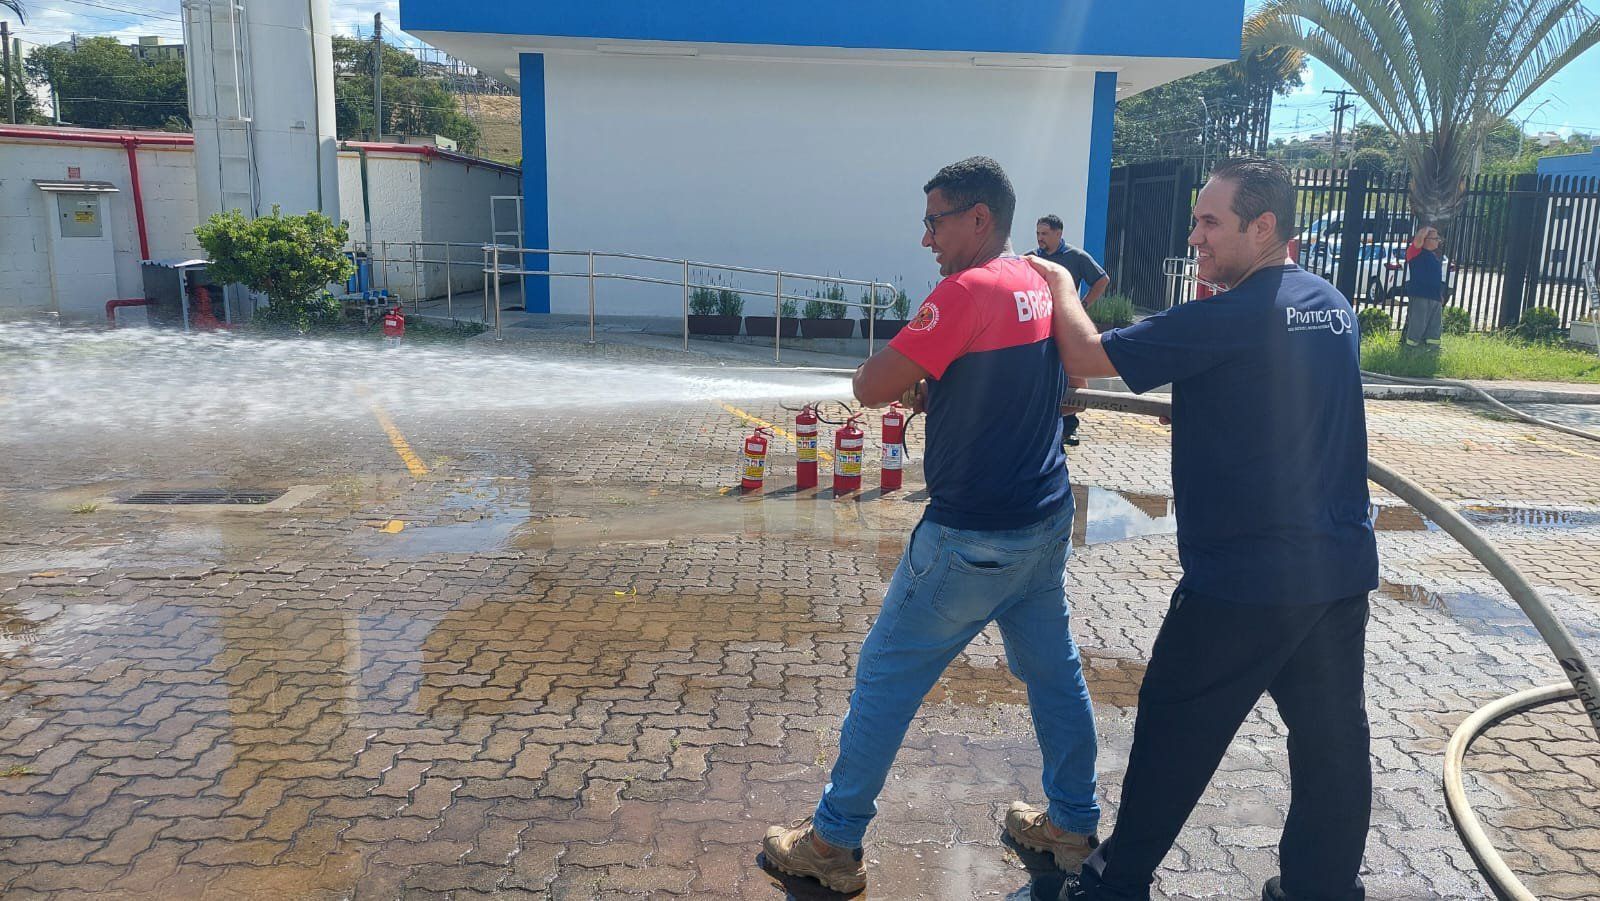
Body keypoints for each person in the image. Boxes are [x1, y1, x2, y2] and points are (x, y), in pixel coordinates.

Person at [1027, 157, 1379, 901]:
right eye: (1195, 221)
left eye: (1210, 222)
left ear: (1264, 226)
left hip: (1243, 582)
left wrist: (1058, 281)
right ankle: (1320, 888)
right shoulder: (1330, 303)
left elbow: (1086, 354)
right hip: (1336, 571)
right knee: (1332, 745)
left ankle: (1114, 885)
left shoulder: (1231, 315)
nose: (1195, 237)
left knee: (1174, 732)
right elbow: (1276, 394)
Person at [762, 157, 1101, 894]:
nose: (926, 240)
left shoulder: (966, 289)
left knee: (886, 676)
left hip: (970, 539)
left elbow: (868, 386)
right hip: (1044, 520)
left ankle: (832, 842)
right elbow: (1009, 376)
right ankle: (1074, 825)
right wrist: (943, 378)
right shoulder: (1034, 280)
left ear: (978, 218)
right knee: (1054, 674)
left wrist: (909, 368)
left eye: (934, 221)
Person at [1029, 215, 1108, 447]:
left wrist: (1082, 306)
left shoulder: (1076, 257)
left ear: (1058, 233)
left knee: (1070, 374)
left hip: (1065, 327)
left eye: (1044, 233)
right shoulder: (1032, 258)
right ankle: (1042, 424)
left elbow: (1102, 280)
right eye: (1038, 233)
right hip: (1040, 326)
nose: (1040, 238)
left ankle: (1069, 427)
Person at [1402, 226, 1445, 348]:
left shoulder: (1433, 256)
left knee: (1434, 329)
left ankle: (1433, 351)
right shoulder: (1415, 252)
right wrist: (1427, 228)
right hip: (1420, 296)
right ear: (1425, 240)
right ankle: (1410, 351)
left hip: (1434, 297)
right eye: (1435, 238)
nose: (1438, 241)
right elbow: (1418, 238)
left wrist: (1440, 295)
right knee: (1417, 326)